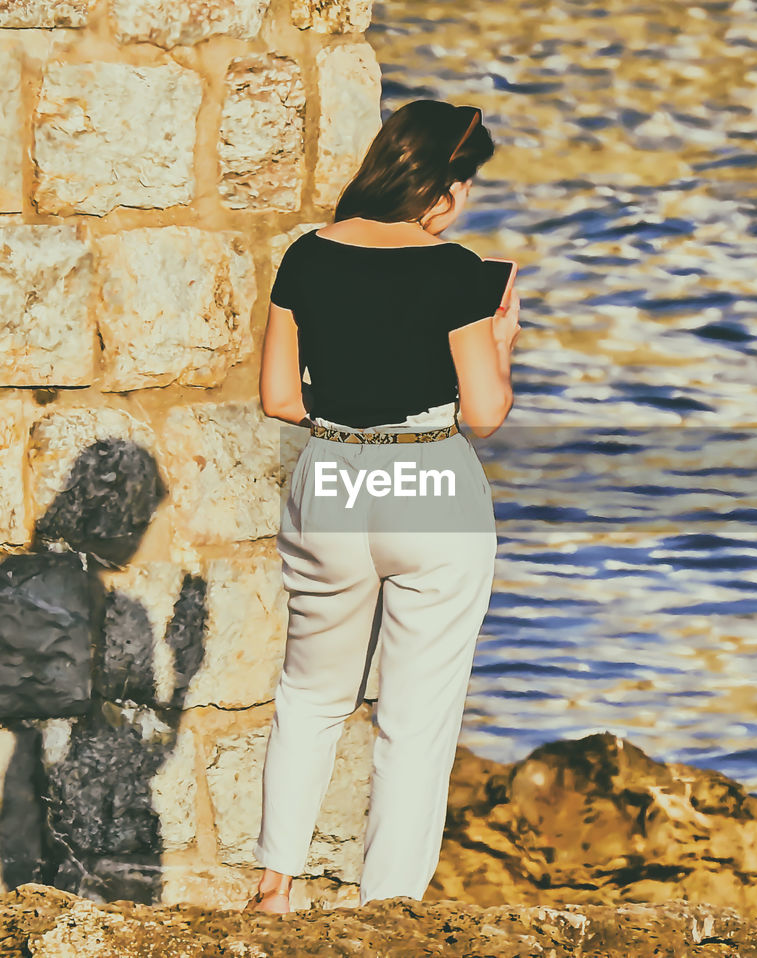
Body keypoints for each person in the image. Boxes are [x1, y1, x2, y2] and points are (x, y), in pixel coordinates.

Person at [245, 99, 521, 913]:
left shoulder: (307, 255)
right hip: (429, 478)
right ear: (441, 184)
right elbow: (484, 413)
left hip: (333, 473)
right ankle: (384, 910)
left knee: (310, 694)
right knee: (416, 716)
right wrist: (501, 346)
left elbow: (277, 399)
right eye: (465, 182)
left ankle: (274, 885)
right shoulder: (454, 271)